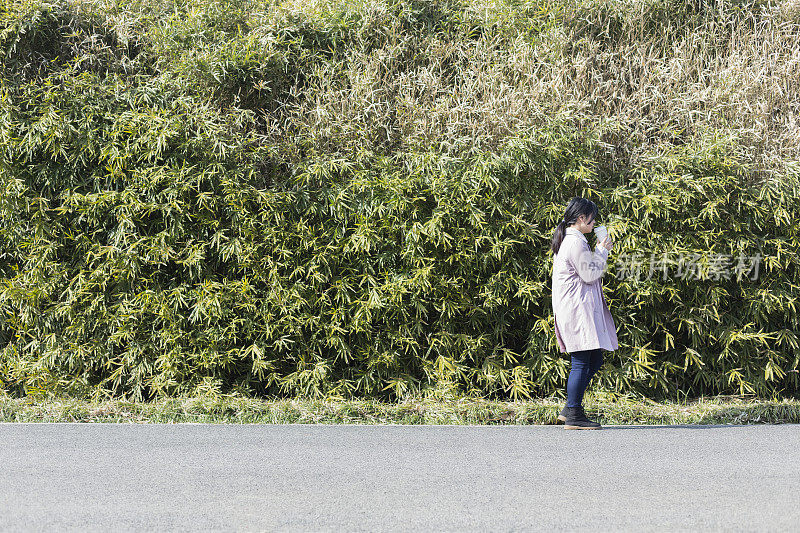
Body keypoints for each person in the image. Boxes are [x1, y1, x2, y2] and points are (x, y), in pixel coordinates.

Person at [550, 197, 618, 430]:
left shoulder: (571, 240)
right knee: (581, 362)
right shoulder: (575, 243)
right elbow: (589, 275)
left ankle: (570, 408)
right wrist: (601, 250)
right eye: (592, 219)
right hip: (576, 310)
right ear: (581, 218)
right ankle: (574, 415)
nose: (594, 223)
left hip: (577, 308)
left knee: (594, 359)